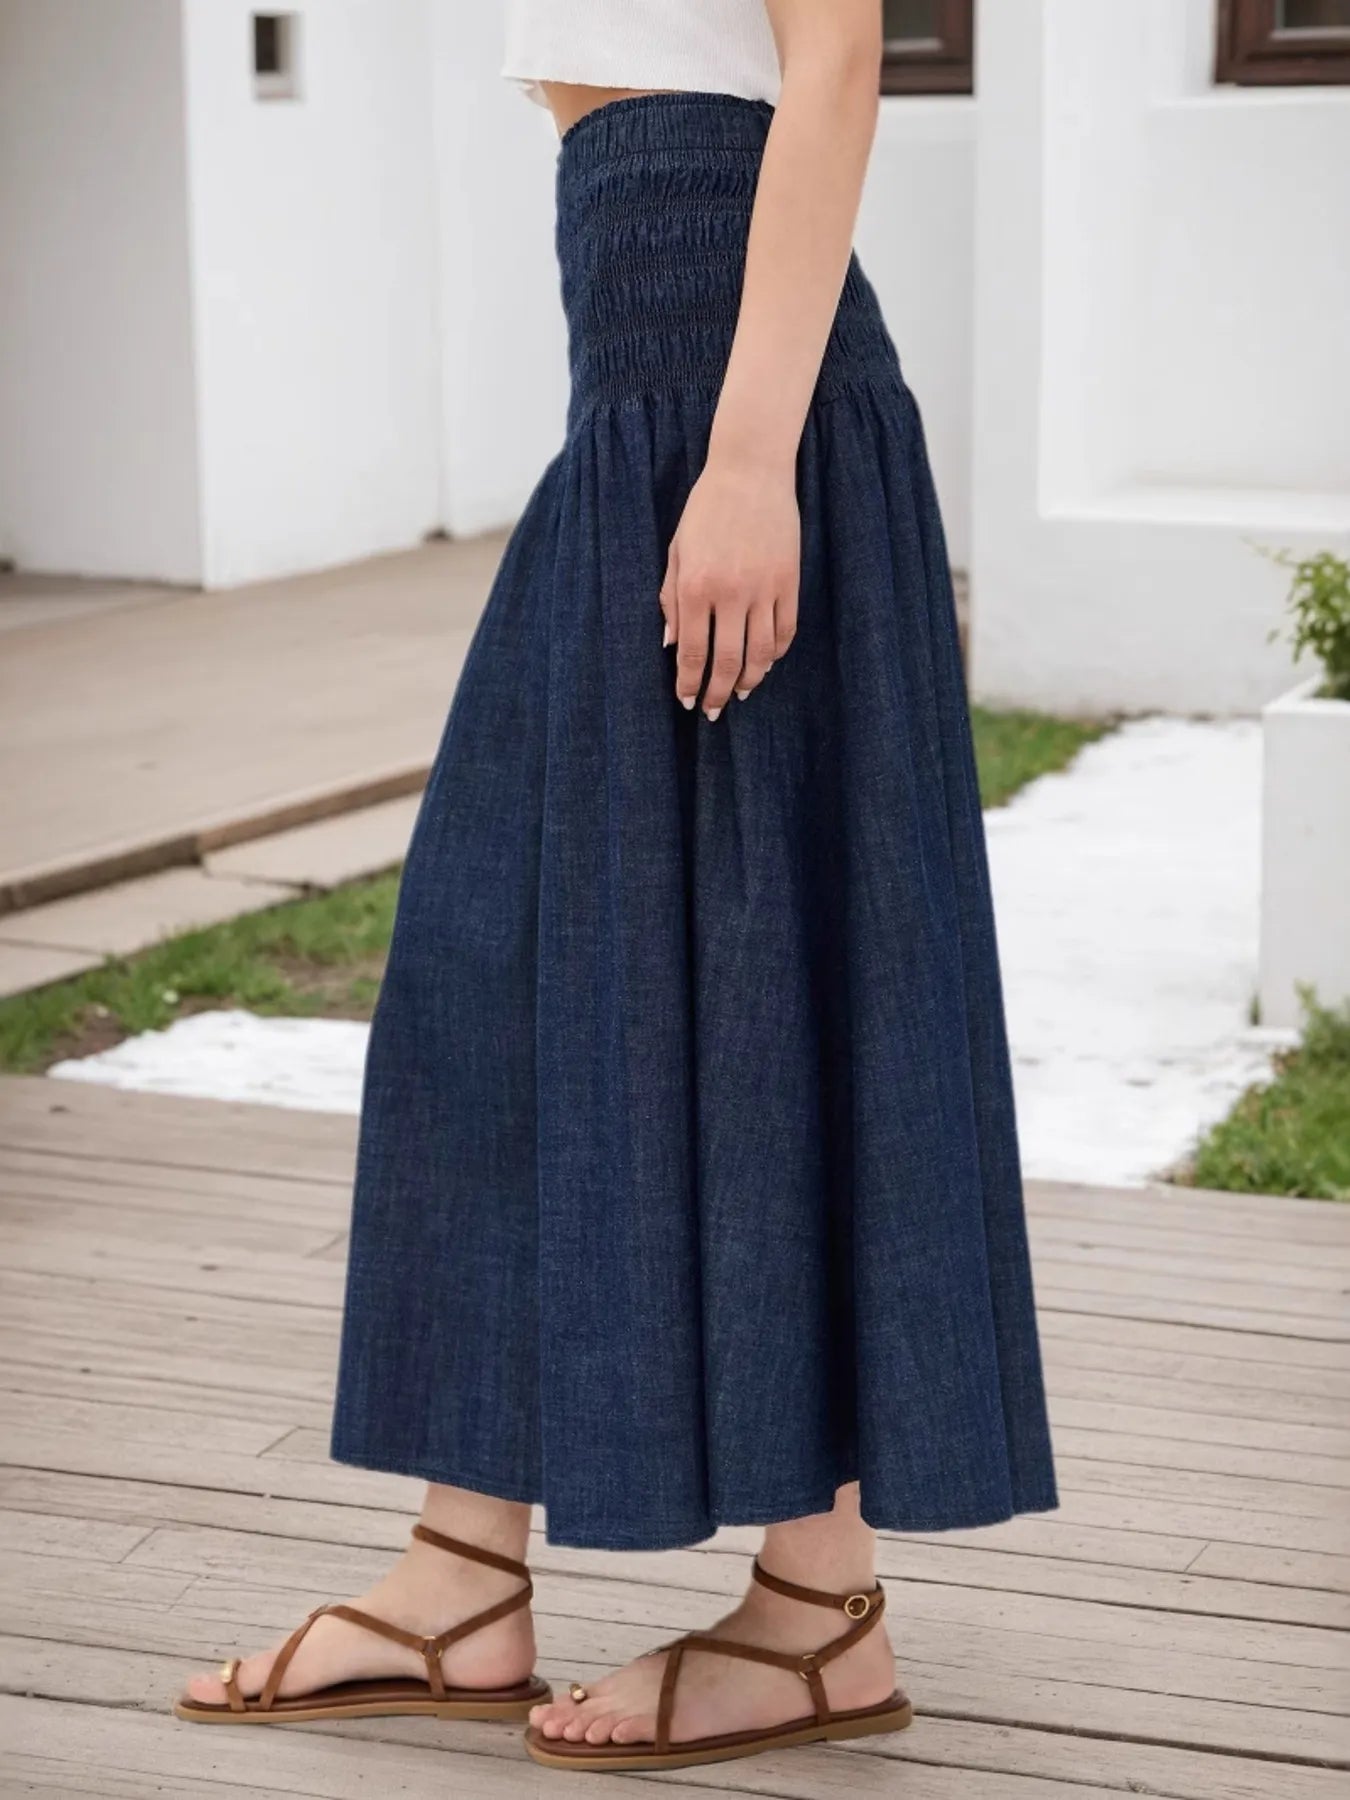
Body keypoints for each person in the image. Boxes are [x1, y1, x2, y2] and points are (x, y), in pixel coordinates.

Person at [175, 0, 1056, 1773]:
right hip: (649, 394)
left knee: (760, 982)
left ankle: (814, 1610)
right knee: (503, 984)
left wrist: (744, 465)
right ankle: (462, 1573)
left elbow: (836, 65)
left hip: (733, 419)